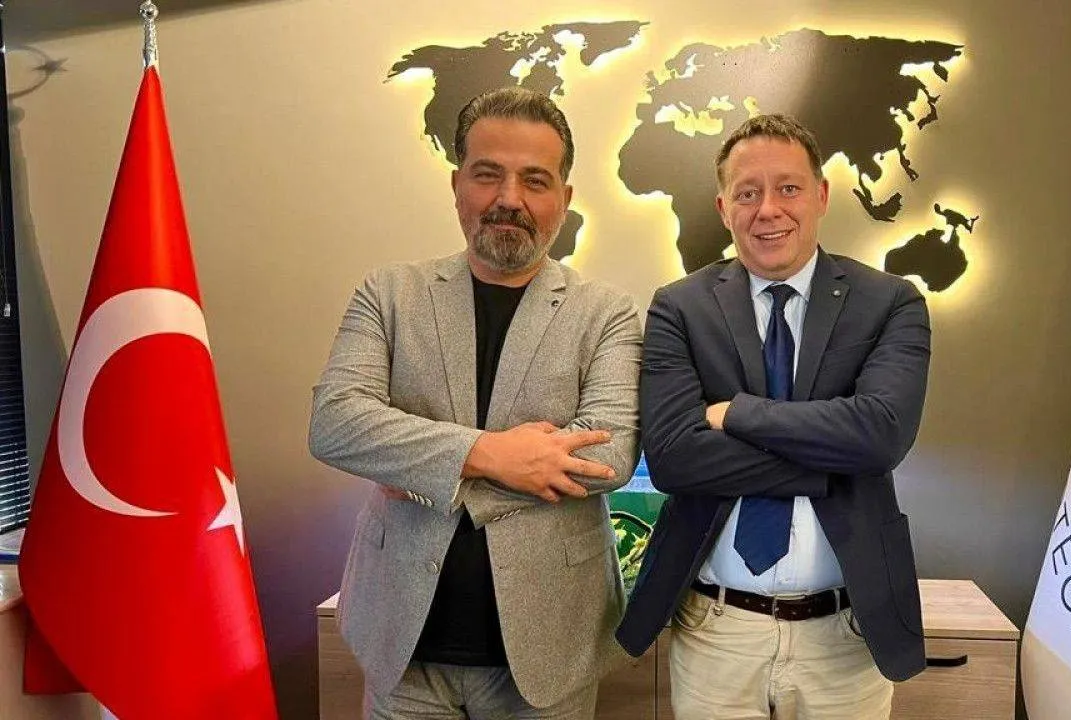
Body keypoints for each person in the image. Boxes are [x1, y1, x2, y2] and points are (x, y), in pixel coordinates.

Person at [310, 86, 640, 719]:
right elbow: (336, 422)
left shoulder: (607, 313)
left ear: (565, 198)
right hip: (400, 647)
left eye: (535, 180)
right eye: (488, 174)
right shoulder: (389, 293)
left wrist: (422, 469)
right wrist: (492, 454)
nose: (509, 198)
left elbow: (609, 456)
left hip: (550, 653)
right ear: (457, 184)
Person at [616, 114, 931, 720]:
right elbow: (674, 459)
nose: (768, 209)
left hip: (846, 632)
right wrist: (830, 461)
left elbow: (881, 435)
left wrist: (737, 414)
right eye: (747, 193)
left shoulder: (890, 303)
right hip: (715, 630)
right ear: (723, 207)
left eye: (788, 188)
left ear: (821, 195)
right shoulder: (679, 308)